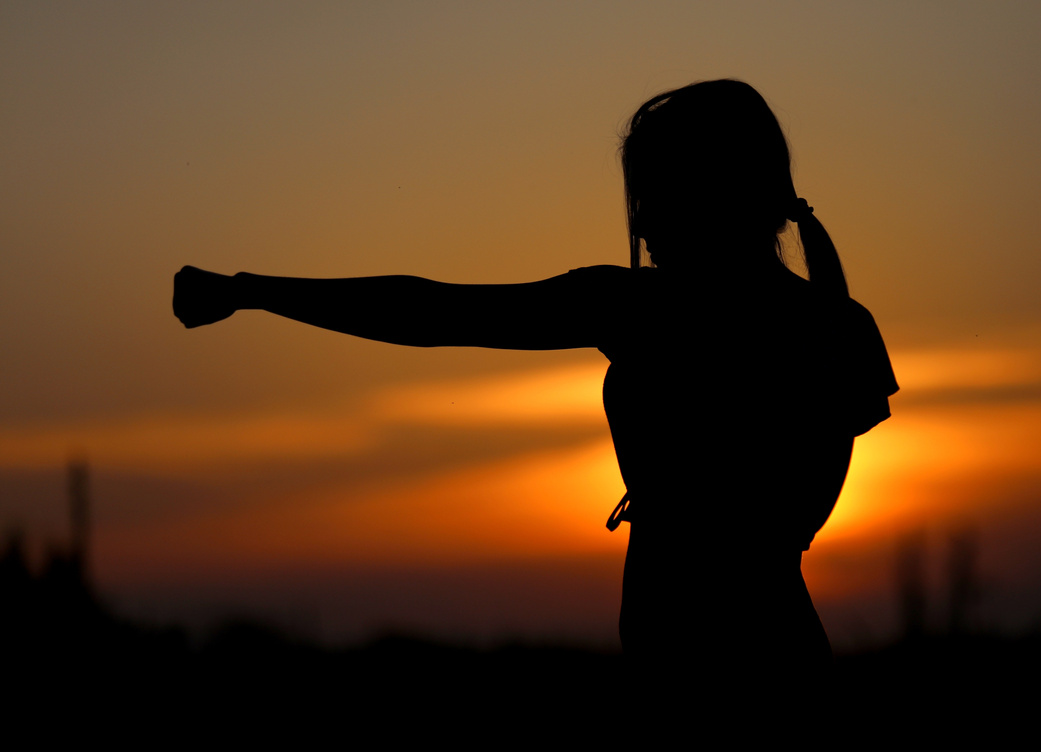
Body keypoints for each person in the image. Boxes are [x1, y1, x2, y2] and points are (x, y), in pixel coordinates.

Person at [174, 79, 898, 686]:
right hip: (781, 654)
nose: (641, 222)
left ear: (712, 191)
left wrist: (253, 290)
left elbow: (434, 311)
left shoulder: (645, 311)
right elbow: (801, 502)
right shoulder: (840, 326)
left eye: (655, 194)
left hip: (696, 670)